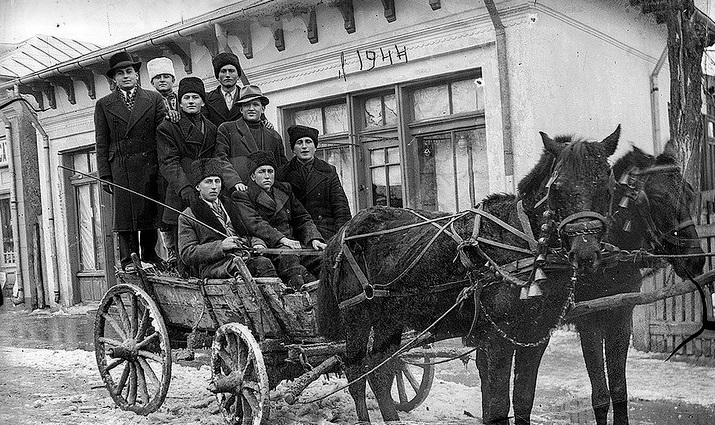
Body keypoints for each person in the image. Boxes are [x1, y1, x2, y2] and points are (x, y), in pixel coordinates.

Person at [95, 51, 166, 271]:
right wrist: (104, 174)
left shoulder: (153, 99)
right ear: (114, 79)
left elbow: (162, 134)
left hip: (149, 164)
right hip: (121, 167)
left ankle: (150, 254)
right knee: (125, 215)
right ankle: (128, 260)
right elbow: (101, 142)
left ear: (136, 75)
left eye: (129, 71)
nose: (125, 76)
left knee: (149, 210)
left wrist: (161, 166)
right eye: (120, 73)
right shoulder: (104, 104)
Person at [157, 77, 230, 272]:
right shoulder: (168, 127)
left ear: (203, 102)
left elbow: (215, 160)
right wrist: (186, 188)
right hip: (180, 193)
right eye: (186, 97)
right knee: (184, 252)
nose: (191, 101)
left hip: (206, 193)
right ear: (179, 102)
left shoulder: (212, 128)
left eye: (196, 97)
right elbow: (168, 162)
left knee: (210, 241)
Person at [233, 150, 326, 289]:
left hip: (293, 245)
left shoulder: (284, 190)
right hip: (268, 248)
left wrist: (313, 239)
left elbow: (302, 218)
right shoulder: (243, 196)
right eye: (261, 172)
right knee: (294, 268)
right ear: (252, 176)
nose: (267, 176)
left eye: (270, 171)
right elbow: (255, 224)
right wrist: (283, 240)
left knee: (323, 260)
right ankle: (300, 297)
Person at [178, 158, 277, 279]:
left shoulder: (231, 205)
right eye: (208, 182)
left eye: (217, 181)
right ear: (198, 186)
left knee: (267, 263)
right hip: (215, 266)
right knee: (261, 265)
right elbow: (187, 253)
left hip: (243, 258)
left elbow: (248, 235)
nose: (214, 187)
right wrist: (220, 246)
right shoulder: (188, 216)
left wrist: (258, 244)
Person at [278, 125, 352, 241]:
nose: (304, 146)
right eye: (299, 142)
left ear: (315, 147)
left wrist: (341, 237)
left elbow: (340, 207)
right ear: (293, 149)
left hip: (326, 233)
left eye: (308, 142)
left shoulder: (328, 171)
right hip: (296, 234)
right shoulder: (282, 173)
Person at [215, 85, 288, 193]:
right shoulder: (227, 129)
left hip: (267, 194)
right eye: (246, 105)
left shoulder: (274, 136)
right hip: (239, 191)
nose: (251, 108)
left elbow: (281, 166)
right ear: (241, 109)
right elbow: (220, 158)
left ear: (263, 109)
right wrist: (235, 182)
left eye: (255, 104)